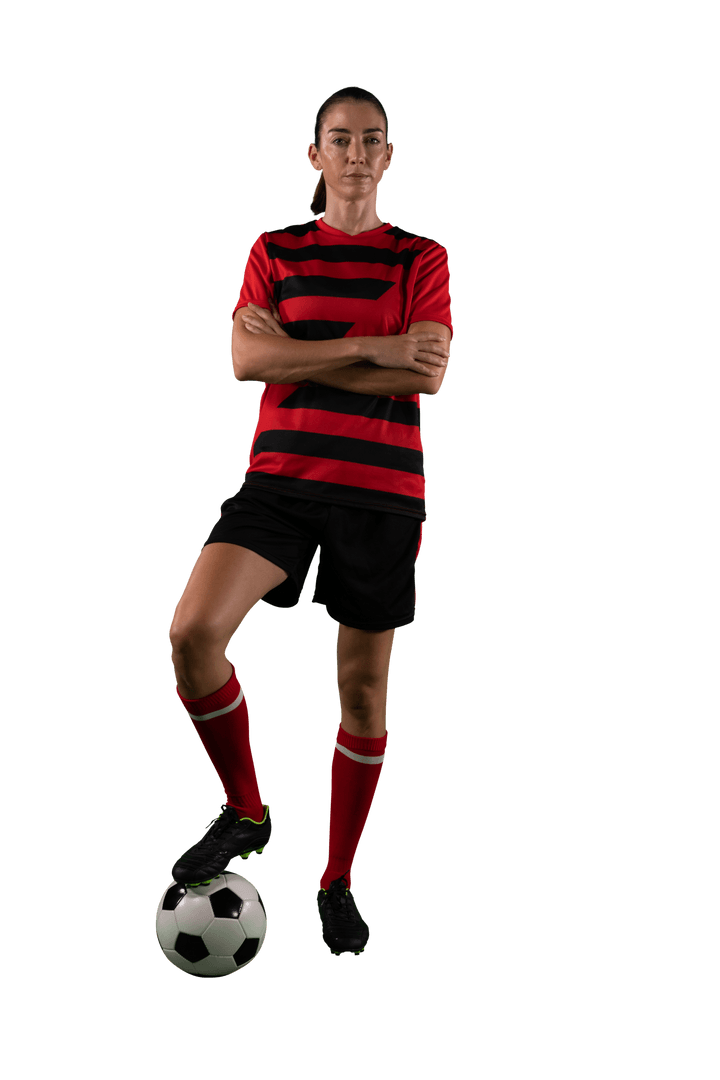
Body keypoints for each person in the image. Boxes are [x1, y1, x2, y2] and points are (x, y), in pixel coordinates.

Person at [167, 85, 454, 958]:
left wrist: (299, 356)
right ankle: (247, 812)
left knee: (363, 694)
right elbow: (244, 358)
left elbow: (428, 378)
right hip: (280, 482)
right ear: (313, 154)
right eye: (340, 138)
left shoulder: (422, 256)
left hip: (383, 491)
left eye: (373, 139)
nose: (357, 152)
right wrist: (374, 348)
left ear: (390, 155)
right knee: (193, 634)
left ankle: (336, 881)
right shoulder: (274, 249)